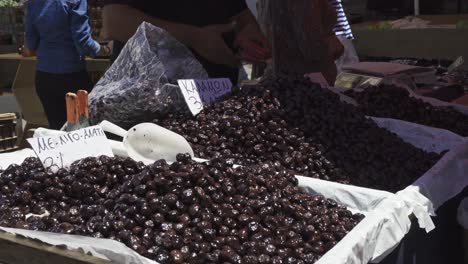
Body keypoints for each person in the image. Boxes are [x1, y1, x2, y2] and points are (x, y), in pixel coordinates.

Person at [101, 1, 270, 85]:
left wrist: (248, 31)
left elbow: (240, 15)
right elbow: (114, 22)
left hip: (215, 97)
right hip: (148, 98)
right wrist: (195, 38)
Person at [25, 0, 109, 129]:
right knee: (81, 131)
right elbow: (82, 41)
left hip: (44, 78)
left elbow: (30, 45)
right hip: (72, 77)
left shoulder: (33, 3)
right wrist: (104, 49)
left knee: (57, 130)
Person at [329, 0, 359, 72]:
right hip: (333, 35)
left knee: (353, 64)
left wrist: (348, 33)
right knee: (338, 68)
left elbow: (340, 13)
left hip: (342, 34)